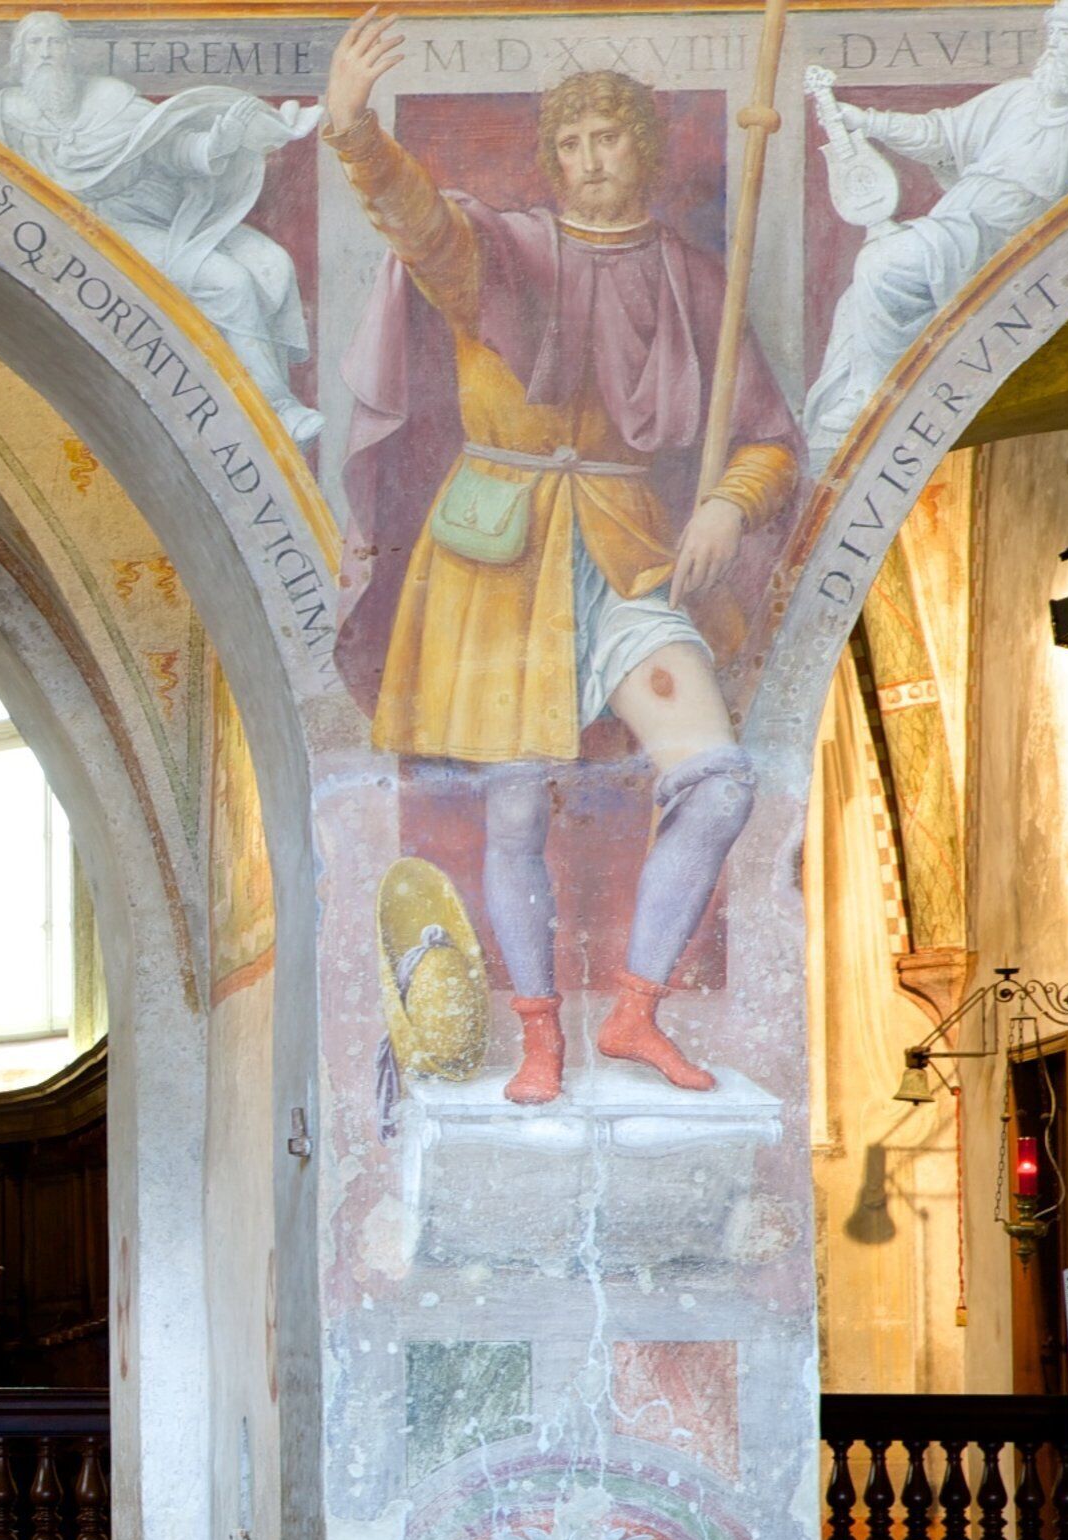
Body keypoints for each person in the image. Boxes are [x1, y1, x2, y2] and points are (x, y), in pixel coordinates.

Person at [325, 15, 796, 1104]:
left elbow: (768, 438)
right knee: (516, 807)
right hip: (499, 551)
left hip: (627, 548)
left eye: (608, 138)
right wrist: (355, 135)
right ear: (553, 158)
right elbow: (420, 222)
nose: (589, 160)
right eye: (571, 143)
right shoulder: (506, 253)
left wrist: (727, 507)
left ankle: (634, 1010)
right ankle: (538, 1033)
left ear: (644, 149)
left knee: (720, 781)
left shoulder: (694, 280)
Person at [797, 0, 1068, 457]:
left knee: (880, 264)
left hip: (1012, 241)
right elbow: (939, 133)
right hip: (960, 223)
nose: (1055, 45)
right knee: (855, 300)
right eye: (1054, 34)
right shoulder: (1016, 97)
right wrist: (868, 122)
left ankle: (872, 397)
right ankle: (860, 398)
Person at [0, 6, 324, 441]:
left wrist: (217, 143)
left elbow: (172, 147)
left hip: (126, 228)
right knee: (231, 281)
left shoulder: (111, 102)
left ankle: (277, 407)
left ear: (71, 52)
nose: (46, 52)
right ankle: (274, 407)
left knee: (246, 275)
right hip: (53, 241)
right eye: (35, 43)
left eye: (55, 42)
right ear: (19, 57)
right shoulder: (6, 110)